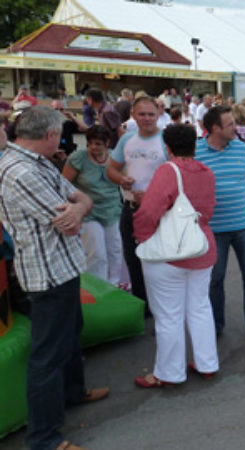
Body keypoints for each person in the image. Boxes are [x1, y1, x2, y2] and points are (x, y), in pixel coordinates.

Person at [0, 106, 108, 450]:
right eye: (59, 134)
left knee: (71, 334)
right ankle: (44, 437)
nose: (62, 140)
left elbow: (78, 200)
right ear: (48, 135)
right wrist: (78, 207)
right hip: (47, 274)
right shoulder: (21, 172)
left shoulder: (38, 161)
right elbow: (72, 217)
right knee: (47, 356)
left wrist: (78, 206)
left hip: (63, 267)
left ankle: (74, 392)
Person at [132, 125, 219, 387]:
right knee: (200, 307)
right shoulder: (206, 172)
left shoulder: (169, 171)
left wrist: (144, 238)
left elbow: (149, 212)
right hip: (201, 247)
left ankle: (169, 373)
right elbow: (209, 209)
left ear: (166, 147)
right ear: (195, 144)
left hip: (169, 253)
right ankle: (207, 363)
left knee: (169, 314)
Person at [195, 106, 245, 348]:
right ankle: (214, 326)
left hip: (244, 224)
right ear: (214, 128)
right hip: (213, 228)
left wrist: (242, 202)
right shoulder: (196, 151)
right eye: (229, 125)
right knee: (215, 279)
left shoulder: (241, 148)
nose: (235, 128)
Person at [106, 96, 167, 315]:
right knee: (133, 260)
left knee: (160, 262)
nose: (147, 118)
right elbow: (111, 169)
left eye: (151, 114)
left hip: (160, 212)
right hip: (130, 209)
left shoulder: (165, 140)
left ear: (158, 114)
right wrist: (122, 180)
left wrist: (153, 195)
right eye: (142, 114)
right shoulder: (127, 139)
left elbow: (178, 178)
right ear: (133, 115)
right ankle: (144, 307)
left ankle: (163, 306)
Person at [62, 125, 123, 285]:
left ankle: (114, 284)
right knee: (96, 252)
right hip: (88, 211)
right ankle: (97, 286)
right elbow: (63, 184)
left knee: (115, 249)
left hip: (111, 209)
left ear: (107, 143)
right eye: (90, 143)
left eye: (97, 144)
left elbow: (123, 179)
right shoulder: (78, 158)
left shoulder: (116, 158)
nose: (93, 147)